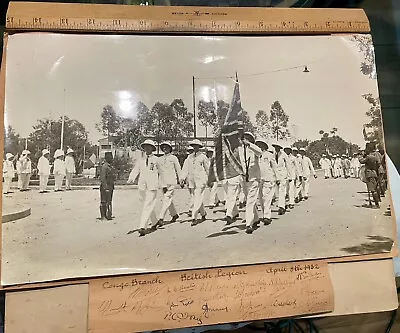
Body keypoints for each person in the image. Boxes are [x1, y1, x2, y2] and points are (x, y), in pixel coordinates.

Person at [128, 139, 160, 236]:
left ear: (152, 148)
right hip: (142, 186)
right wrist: (131, 178)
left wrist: (164, 184)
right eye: (145, 146)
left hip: (152, 186)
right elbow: (136, 170)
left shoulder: (156, 160)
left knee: (148, 205)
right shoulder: (141, 160)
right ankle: (154, 222)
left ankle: (142, 226)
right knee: (146, 205)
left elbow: (162, 172)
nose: (147, 148)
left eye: (149, 146)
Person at [180, 139, 209, 226]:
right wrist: (182, 179)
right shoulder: (189, 157)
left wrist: (210, 179)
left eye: (197, 146)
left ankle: (194, 217)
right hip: (192, 180)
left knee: (197, 197)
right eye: (194, 146)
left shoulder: (203, 157)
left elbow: (207, 169)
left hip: (201, 180)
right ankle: (203, 213)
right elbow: (185, 168)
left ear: (199, 147)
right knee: (197, 197)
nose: (195, 147)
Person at [238, 132, 262, 234]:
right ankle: (256, 218)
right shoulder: (239, 150)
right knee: (249, 200)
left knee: (250, 202)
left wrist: (249, 145)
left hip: (254, 179)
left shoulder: (254, 149)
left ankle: (248, 224)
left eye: (248, 138)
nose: (245, 139)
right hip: (244, 179)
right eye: (244, 138)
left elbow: (260, 152)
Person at [157, 141, 181, 226]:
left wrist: (181, 179)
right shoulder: (159, 159)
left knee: (166, 199)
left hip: (171, 181)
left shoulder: (173, 158)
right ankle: (174, 215)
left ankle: (161, 218)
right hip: (162, 182)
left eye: (166, 147)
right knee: (168, 199)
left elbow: (178, 169)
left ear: (170, 148)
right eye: (163, 147)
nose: (165, 148)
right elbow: (157, 171)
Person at [256, 139, 277, 225]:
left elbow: (274, 166)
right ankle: (265, 214)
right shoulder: (255, 155)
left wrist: (277, 177)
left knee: (267, 198)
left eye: (261, 145)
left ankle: (267, 216)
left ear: (264, 146)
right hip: (259, 179)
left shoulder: (269, 155)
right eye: (258, 145)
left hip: (268, 178)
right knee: (261, 199)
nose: (259, 146)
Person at [359, 142, 381, 208]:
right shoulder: (375, 157)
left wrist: (360, 156)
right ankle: (376, 202)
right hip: (374, 173)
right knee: (375, 188)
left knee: (372, 190)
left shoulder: (368, 157)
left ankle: (377, 205)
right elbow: (379, 164)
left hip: (369, 174)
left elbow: (361, 161)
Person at [273, 142, 289, 215]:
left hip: (283, 174)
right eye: (275, 147)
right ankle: (282, 203)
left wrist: (289, 175)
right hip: (275, 175)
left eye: (277, 147)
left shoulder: (283, 155)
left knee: (282, 190)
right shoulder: (273, 154)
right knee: (277, 191)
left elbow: (288, 165)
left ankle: (281, 207)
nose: (276, 148)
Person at [99, 151, 115, 221]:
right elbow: (102, 178)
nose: (112, 159)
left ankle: (108, 215)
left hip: (110, 186)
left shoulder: (110, 166)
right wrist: (105, 187)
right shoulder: (104, 167)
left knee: (109, 201)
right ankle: (103, 216)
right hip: (105, 186)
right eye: (110, 158)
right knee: (104, 201)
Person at [181, 145, 195, 216]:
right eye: (189, 151)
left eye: (192, 151)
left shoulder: (199, 158)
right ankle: (202, 211)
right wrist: (182, 179)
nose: (190, 152)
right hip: (189, 180)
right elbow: (184, 170)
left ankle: (191, 209)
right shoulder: (187, 160)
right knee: (193, 195)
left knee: (194, 195)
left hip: (197, 180)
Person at [284, 146, 297, 210]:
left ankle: (291, 202)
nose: (287, 151)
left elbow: (296, 167)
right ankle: (284, 204)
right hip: (284, 176)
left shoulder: (293, 158)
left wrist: (298, 175)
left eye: (288, 150)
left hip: (291, 176)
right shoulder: (283, 157)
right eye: (286, 150)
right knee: (285, 191)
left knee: (291, 190)